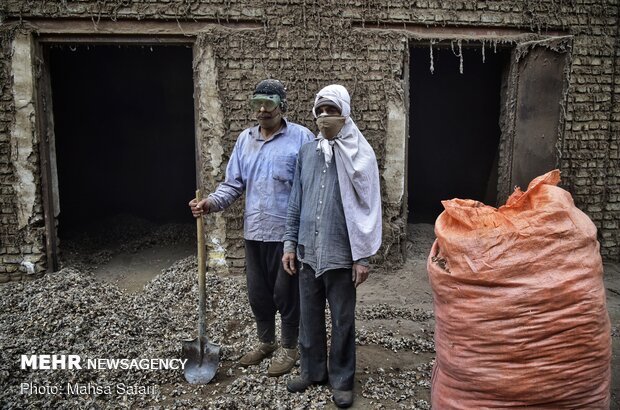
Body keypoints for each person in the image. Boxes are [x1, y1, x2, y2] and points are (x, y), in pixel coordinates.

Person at [189, 79, 313, 377]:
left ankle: (290, 347)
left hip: (287, 234)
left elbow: (311, 187)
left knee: (286, 294)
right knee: (258, 294)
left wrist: (301, 237)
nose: (261, 110)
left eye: (268, 104)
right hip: (254, 231)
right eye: (257, 103)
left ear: (281, 105)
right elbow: (233, 184)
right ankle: (266, 342)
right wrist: (210, 203)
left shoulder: (301, 138)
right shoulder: (245, 140)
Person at [282, 84, 382, 408]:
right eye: (321, 110)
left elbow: (368, 207)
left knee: (342, 320)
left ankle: (341, 379)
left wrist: (363, 257)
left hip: (342, 255)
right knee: (309, 317)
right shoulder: (307, 153)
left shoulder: (360, 155)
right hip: (308, 253)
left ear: (345, 112)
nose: (325, 117)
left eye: (332, 110)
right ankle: (312, 371)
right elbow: (295, 201)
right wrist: (288, 244)